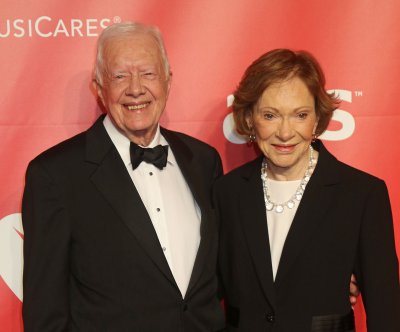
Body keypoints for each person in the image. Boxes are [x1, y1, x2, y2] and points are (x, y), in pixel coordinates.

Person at [22, 22, 225, 332]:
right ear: (99, 88)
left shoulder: (203, 160)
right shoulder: (54, 175)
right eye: (119, 76)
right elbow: (45, 312)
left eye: (148, 73)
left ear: (168, 81)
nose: (135, 88)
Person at [213, 49, 400, 331]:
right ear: (250, 119)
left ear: (317, 119)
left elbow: (386, 313)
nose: (285, 133)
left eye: (300, 115)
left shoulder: (362, 194)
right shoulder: (226, 192)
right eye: (270, 115)